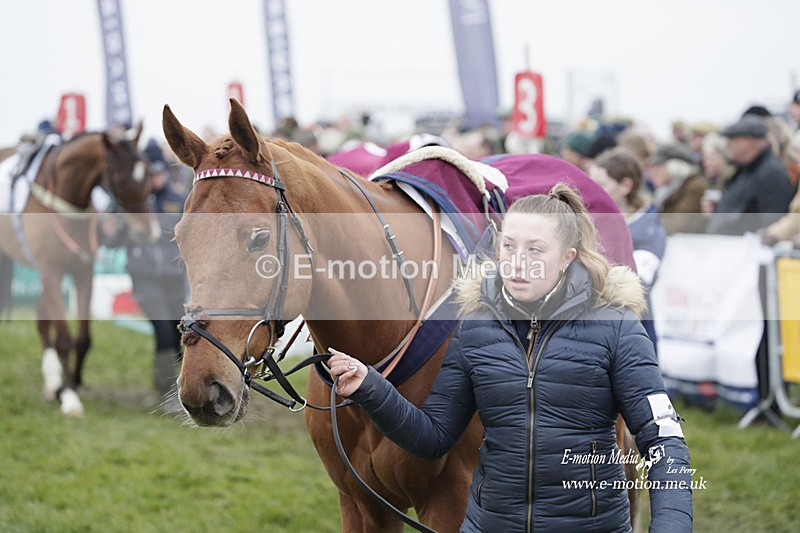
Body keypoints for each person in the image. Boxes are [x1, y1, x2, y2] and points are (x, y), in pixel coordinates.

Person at [328, 184, 693, 532]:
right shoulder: (475, 327)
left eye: (535, 250)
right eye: (509, 246)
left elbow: (664, 440)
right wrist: (370, 387)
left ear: (567, 258)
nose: (518, 263)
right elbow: (434, 436)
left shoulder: (617, 327)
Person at [101, 139, 188, 397]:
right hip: (145, 279)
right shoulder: (131, 203)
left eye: (161, 173)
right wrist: (116, 228)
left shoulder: (179, 201)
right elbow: (110, 241)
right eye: (153, 174)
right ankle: (167, 391)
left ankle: (170, 379)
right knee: (163, 331)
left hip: (174, 279)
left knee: (177, 335)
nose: (157, 179)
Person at [590, 147, 667, 355]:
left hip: (632, 330)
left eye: (602, 185)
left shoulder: (648, 231)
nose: (593, 191)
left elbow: (638, 284)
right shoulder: (592, 220)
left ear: (625, 186)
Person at [706, 115, 795, 235]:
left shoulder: (771, 174)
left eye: (732, 139)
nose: (727, 145)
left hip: (745, 245)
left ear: (749, 142)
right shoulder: (746, 169)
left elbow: (772, 222)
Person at [648, 142, 708, 235]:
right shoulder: (667, 189)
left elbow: (679, 224)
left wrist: (649, 229)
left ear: (674, 166)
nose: (654, 172)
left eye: (660, 167)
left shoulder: (694, 185)